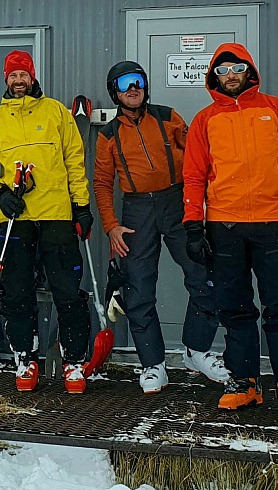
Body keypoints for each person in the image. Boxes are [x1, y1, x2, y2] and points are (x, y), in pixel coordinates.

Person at [182, 43, 278, 418]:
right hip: (224, 227)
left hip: (274, 225)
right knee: (235, 308)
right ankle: (245, 381)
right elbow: (193, 176)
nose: (231, 76)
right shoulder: (205, 119)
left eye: (237, 68)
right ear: (214, 77)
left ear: (249, 71)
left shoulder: (276, 109)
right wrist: (194, 227)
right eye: (223, 71)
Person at [93, 61, 228, 394]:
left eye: (137, 81)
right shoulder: (108, 135)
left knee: (203, 273)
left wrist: (203, 203)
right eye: (124, 84)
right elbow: (101, 182)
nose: (133, 88)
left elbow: (198, 159)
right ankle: (153, 364)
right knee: (138, 287)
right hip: (136, 211)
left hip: (177, 200)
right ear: (115, 92)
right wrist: (111, 226)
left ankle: (197, 351)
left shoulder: (168, 117)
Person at [0, 50, 94, 394]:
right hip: (16, 218)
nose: (18, 80)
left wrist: (81, 206)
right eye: (13, 75)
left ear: (33, 76)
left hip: (56, 215)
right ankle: (25, 358)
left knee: (67, 292)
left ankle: (73, 361)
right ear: (6, 79)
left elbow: (75, 160)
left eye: (23, 74)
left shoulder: (56, 112)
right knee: (17, 292)